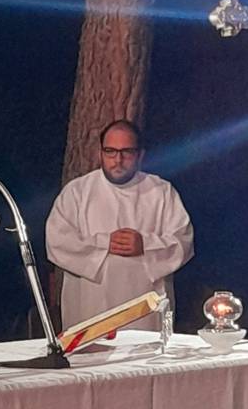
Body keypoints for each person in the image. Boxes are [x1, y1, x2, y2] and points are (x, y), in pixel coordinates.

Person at [46, 120, 193, 331]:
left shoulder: (161, 191)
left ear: (140, 155)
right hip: (90, 304)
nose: (118, 160)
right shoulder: (77, 192)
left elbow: (183, 242)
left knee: (144, 351)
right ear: (100, 153)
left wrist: (144, 245)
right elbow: (57, 242)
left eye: (127, 152)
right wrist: (105, 243)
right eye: (110, 151)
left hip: (144, 306)